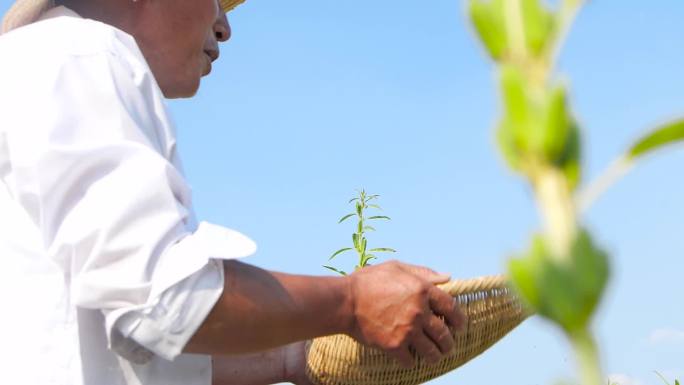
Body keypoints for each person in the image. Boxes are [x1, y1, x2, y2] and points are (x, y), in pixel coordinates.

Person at [0, 0, 465, 384]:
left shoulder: (42, 69)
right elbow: (168, 301)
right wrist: (351, 303)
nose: (224, 28)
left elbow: (126, 342)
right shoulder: (81, 56)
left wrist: (293, 356)